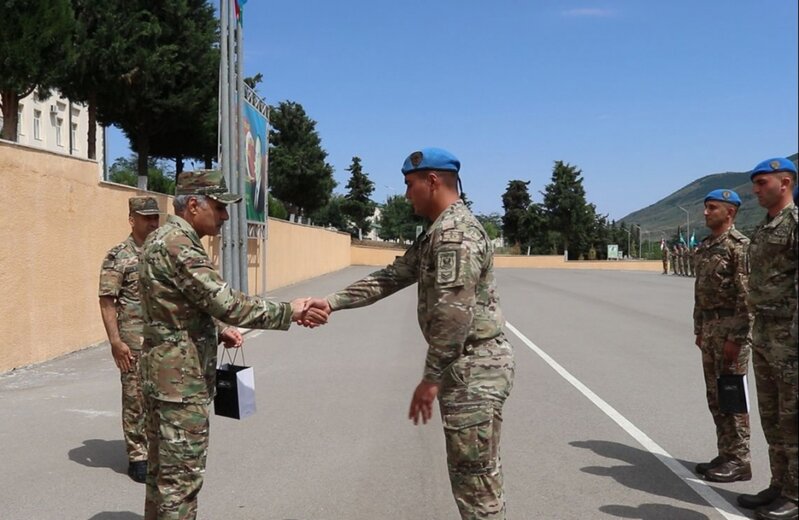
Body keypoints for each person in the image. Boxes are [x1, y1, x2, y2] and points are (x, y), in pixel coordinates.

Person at [305, 148, 515, 520]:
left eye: (409, 185)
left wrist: (430, 378)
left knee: (475, 483)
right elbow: (392, 276)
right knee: (475, 478)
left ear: (432, 181)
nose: (405, 195)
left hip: (473, 368)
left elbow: (454, 317)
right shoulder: (439, 232)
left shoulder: (454, 236)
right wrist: (331, 302)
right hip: (466, 366)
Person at [138, 170, 328, 520]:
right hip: (181, 383)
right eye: (219, 207)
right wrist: (290, 310)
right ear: (194, 205)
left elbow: (184, 303)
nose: (225, 216)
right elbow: (227, 302)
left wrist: (216, 328)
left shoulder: (160, 238)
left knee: (162, 476)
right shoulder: (179, 245)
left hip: (163, 375)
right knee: (181, 482)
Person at [736, 157, 798, 520]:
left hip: (790, 337)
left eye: (762, 183)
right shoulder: (763, 228)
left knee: (794, 418)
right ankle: (779, 485)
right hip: (764, 334)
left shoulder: (795, 224)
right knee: (773, 417)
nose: (755, 190)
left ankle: (796, 493)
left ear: (785, 182)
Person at [99, 196, 162, 483]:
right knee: (135, 397)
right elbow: (107, 301)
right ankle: (138, 455)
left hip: (163, 340)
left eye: (155, 217)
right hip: (133, 342)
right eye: (146, 217)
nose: (152, 222)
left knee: (161, 397)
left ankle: (159, 450)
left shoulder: (163, 254)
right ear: (132, 219)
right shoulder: (118, 256)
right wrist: (115, 341)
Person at [692, 189, 752, 483]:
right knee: (715, 396)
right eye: (705, 207)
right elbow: (700, 294)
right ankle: (725, 452)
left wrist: (737, 338)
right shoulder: (705, 246)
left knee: (732, 396)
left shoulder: (738, 247)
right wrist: (699, 329)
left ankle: (740, 460)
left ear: (729, 212)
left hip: (731, 329)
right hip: (711, 328)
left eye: (712, 208)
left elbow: (746, 298)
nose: (706, 212)